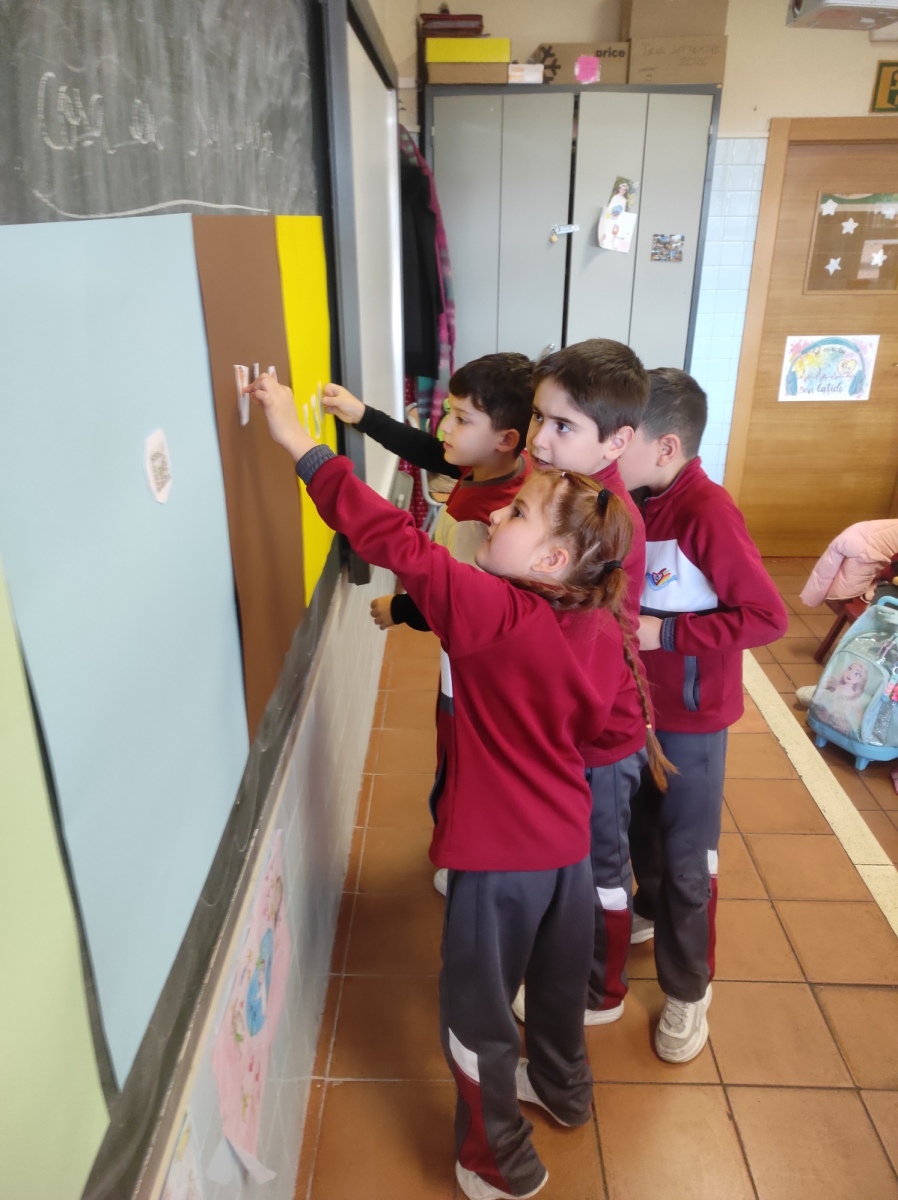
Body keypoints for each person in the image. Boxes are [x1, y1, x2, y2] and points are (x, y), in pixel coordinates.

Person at [248, 369, 646, 1200]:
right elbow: (605, 731)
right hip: (567, 846)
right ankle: (564, 1091)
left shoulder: (496, 614)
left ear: (552, 559)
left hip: (499, 861)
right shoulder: (596, 618)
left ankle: (499, 1161)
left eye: (516, 513)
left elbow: (397, 541)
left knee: (477, 1016)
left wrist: (300, 443)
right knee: (555, 993)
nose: (495, 514)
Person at [618, 367, 788, 1064]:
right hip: (635, 707)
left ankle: (689, 990)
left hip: (691, 717)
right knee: (642, 830)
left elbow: (767, 617)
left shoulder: (707, 511)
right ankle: (648, 908)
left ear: (666, 446)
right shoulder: (632, 499)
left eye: (624, 436)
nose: (611, 447)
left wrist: (666, 633)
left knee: (689, 858)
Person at [513, 338, 657, 1027]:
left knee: (600, 868)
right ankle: (570, 958)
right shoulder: (564, 486)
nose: (540, 439)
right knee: (573, 862)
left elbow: (594, 649)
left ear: (616, 442)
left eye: (563, 426)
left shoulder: (609, 521)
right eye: (538, 417)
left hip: (600, 732)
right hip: (572, 722)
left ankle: (601, 991)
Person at [322, 352, 533, 629]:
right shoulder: (508, 463)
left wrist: (402, 609)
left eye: (462, 419)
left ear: (506, 439)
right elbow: (428, 451)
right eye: (449, 411)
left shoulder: (479, 524)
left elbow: (455, 599)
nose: (445, 426)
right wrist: (363, 415)